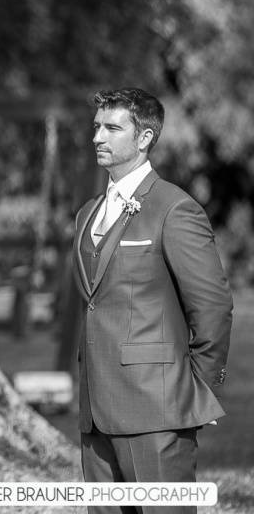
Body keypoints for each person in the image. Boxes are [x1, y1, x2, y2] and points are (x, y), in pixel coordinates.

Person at [73, 88, 232, 514]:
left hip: (159, 411)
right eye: (96, 128)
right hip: (95, 411)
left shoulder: (175, 209)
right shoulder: (87, 213)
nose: (97, 138)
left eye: (111, 128)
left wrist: (193, 388)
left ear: (143, 138)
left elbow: (213, 306)